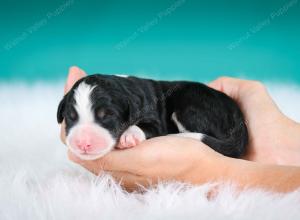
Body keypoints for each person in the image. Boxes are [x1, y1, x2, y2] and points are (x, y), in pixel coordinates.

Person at [61, 66, 300, 192]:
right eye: (72, 119)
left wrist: (139, 131)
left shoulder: (139, 101)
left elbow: (152, 123)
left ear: (129, 109)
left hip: (209, 112)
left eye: (105, 118)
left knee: (184, 107)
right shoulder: (125, 98)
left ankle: (205, 139)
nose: (83, 139)